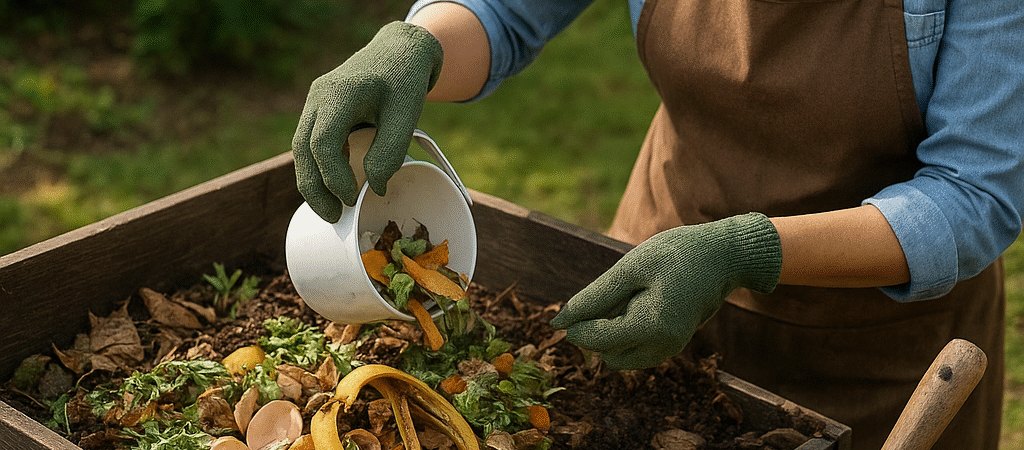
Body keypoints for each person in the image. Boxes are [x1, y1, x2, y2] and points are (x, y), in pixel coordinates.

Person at [290, 1, 1024, 449]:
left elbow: (974, 192)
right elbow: (505, 11)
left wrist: (745, 248)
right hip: (657, 259)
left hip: (871, 339)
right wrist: (419, 47)